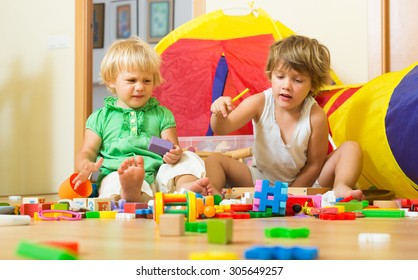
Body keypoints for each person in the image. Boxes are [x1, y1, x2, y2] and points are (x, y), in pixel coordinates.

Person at [205, 35, 364, 200]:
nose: (286, 86)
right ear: (270, 76)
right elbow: (221, 128)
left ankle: (341, 187)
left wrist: (290, 194)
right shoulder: (259, 102)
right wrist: (218, 113)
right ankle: (214, 193)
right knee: (214, 159)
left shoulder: (316, 116)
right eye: (280, 77)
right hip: (260, 178)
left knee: (351, 148)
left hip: (306, 181)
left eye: (297, 80)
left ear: (313, 84)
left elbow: (314, 164)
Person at [72, 36, 211, 202]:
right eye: (131, 80)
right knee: (114, 181)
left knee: (188, 157)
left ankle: (185, 187)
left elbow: (172, 148)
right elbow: (87, 151)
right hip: (118, 175)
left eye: (146, 81)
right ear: (112, 80)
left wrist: (174, 153)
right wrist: (85, 164)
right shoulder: (100, 118)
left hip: (159, 177)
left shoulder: (162, 114)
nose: (140, 87)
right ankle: (131, 194)